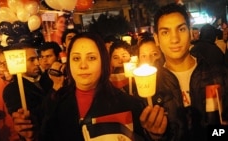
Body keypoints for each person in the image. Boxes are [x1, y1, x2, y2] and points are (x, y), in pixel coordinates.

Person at [10, 32, 168, 141]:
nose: (83, 65)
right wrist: (31, 135)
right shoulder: (55, 103)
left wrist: (155, 135)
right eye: (76, 58)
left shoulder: (128, 104)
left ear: (103, 62)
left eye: (91, 58)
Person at [153, 3, 228, 141]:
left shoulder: (218, 75)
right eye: (165, 32)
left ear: (191, 32)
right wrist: (154, 134)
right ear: (157, 39)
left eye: (181, 29)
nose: (174, 39)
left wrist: (218, 132)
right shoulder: (152, 85)